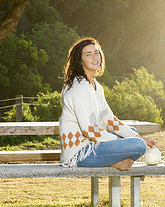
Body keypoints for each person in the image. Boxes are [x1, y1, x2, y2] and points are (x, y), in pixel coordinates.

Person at [59, 37, 156, 170]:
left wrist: (139, 137)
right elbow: (89, 131)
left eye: (96, 52)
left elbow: (110, 121)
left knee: (133, 134)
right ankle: (114, 163)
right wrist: (132, 141)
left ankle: (114, 162)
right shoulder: (79, 87)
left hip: (93, 145)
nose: (95, 57)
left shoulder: (96, 86)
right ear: (80, 61)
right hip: (80, 153)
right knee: (137, 145)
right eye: (88, 54)